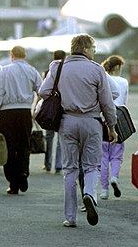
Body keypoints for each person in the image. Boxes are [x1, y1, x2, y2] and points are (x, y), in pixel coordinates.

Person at [39, 34, 117, 227]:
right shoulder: (96, 69)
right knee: (91, 166)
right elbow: (107, 102)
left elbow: (43, 91)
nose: (95, 51)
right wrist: (112, 125)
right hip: (91, 121)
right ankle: (89, 195)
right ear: (85, 49)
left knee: (70, 169)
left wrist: (62, 95)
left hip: (67, 121)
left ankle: (70, 217)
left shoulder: (58, 66)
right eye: (93, 48)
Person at [0, 46, 42, 195]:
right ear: (24, 56)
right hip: (25, 112)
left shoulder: (5, 71)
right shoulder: (32, 70)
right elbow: (42, 91)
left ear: (12, 55)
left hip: (7, 113)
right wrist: (35, 109)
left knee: (9, 147)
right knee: (24, 145)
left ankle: (13, 182)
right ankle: (23, 172)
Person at [100, 55, 129, 200]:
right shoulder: (123, 82)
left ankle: (104, 190)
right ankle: (114, 178)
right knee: (117, 155)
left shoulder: (103, 79)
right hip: (119, 119)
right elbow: (124, 102)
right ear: (117, 68)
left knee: (103, 156)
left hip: (103, 117)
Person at [44, 50, 65, 175]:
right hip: (62, 107)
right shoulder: (67, 72)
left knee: (49, 136)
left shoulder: (48, 72)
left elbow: (43, 91)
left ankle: (47, 163)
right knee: (60, 138)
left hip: (50, 109)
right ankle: (58, 164)